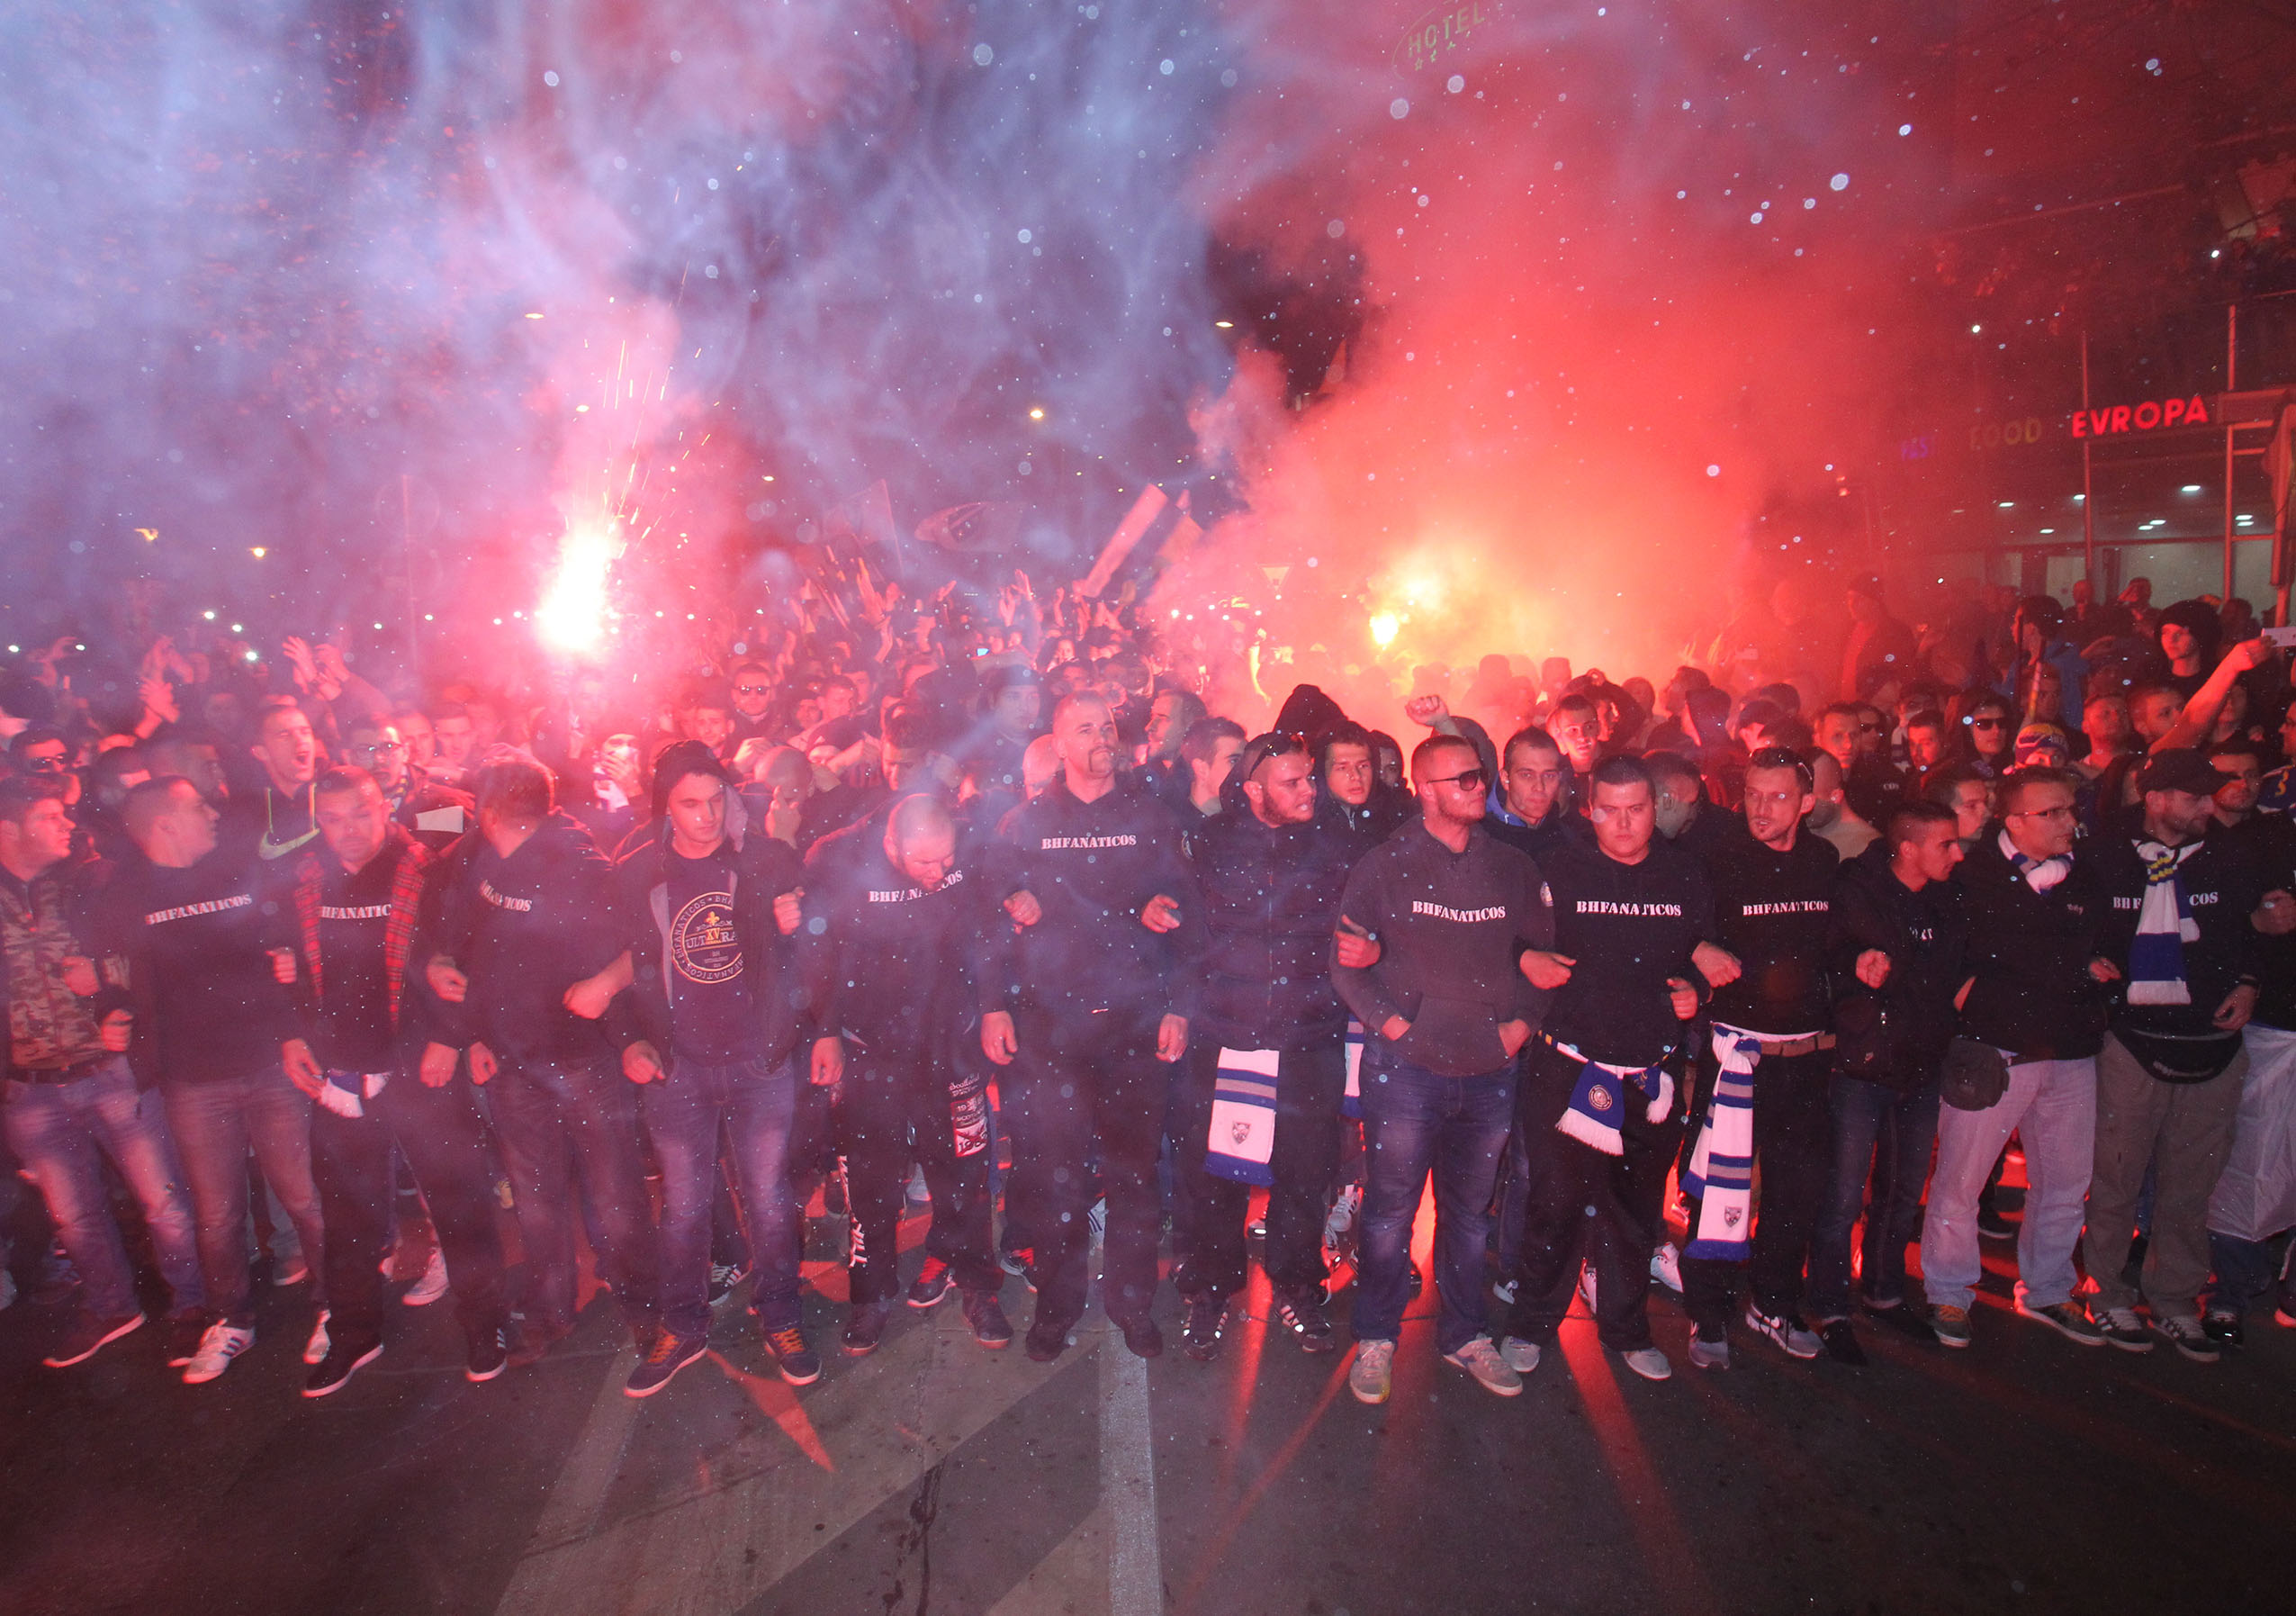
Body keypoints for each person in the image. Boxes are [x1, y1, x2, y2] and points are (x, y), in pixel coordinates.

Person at [980, 693, 1204, 1362]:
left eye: (1107, 726)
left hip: (1134, 1025)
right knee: (1056, 1178)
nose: (1102, 735)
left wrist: (1179, 1005)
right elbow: (990, 923)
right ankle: (1056, 1305)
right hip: (1051, 1032)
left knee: (1135, 1176)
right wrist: (993, 1004)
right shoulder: (1023, 823)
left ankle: (1131, 1303)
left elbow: (1189, 914)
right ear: (1059, 745)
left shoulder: (1150, 817)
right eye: (1086, 728)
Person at [1333, 732, 1552, 1404]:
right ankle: (1375, 1336)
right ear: (1424, 789)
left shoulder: (1513, 867)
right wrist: (1396, 1025)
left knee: (1467, 1212)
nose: (1476, 786)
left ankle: (1464, 1334)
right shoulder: (1384, 863)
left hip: (1487, 1072)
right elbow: (1344, 957)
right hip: (1406, 1071)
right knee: (1389, 1210)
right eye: (1461, 778)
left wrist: (1516, 1030)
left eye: (1479, 776)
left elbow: (1544, 958)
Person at [279, 768, 512, 1394]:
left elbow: (470, 955)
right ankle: (356, 1334)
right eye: (332, 818)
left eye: (360, 813)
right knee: (348, 1215)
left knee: (459, 1203)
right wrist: (294, 1033)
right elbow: (291, 965)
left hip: (420, 1064)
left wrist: (449, 1036)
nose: (347, 831)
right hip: (343, 1072)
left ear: (385, 804)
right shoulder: (306, 876)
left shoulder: (429, 866)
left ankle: (486, 1325)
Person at [424, 751, 659, 1369]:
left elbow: (640, 946)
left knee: (613, 1193)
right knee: (535, 1197)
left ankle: (644, 1307)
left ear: (491, 809)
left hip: (581, 1060)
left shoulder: (577, 865)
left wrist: (611, 1004)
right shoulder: (479, 854)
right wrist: (461, 1004)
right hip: (510, 1059)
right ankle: (550, 1310)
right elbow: (468, 937)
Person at [607, 742, 818, 1394]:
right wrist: (630, 1041)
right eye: (688, 804)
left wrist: (797, 934)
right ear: (663, 808)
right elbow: (623, 966)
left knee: (770, 1202)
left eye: (716, 799)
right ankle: (683, 1324)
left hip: (757, 1062)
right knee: (684, 1207)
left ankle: (780, 1313)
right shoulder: (637, 871)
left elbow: (812, 951)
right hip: (680, 1067)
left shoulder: (766, 860)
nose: (705, 816)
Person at [101, 775, 327, 1384]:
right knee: (216, 1213)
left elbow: (288, 940)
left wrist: (293, 1012)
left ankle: (334, 1307)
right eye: (198, 806)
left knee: (304, 1195)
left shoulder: (238, 868)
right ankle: (232, 1321)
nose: (212, 812)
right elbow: (103, 970)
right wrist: (107, 1008)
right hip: (191, 1080)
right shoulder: (125, 893)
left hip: (269, 1064)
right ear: (165, 823)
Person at [1499, 754, 1713, 1383]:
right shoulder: (1558, 869)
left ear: (1656, 809)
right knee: (1555, 1203)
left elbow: (1704, 947)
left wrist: (1696, 987)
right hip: (1568, 1067)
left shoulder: (1683, 874)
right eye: (1609, 810)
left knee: (1634, 1212)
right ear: (1589, 809)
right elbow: (1505, 937)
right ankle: (1532, 1323)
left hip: (1651, 1074)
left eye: (1636, 810)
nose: (1622, 824)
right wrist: (1523, 957)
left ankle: (1625, 1328)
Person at [1168, 733, 1369, 1360]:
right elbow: (1182, 933)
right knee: (1215, 1175)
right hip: (1224, 1034)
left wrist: (1374, 950)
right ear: (1253, 789)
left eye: (1309, 778)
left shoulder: (1338, 844)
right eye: (1292, 782)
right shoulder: (1207, 843)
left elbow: (1371, 924)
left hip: (1308, 1037)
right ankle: (1209, 1286)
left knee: (1305, 1173)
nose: (1309, 790)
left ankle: (1296, 1283)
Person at [0, 776, 205, 1369]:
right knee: (73, 1214)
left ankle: (193, 1305)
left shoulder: (90, 882)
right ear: (10, 831)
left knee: (163, 1200)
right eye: (49, 817)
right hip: (29, 1086)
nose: (66, 824)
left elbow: (142, 956)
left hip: (109, 1067)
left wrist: (106, 984)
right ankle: (113, 1307)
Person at [802, 792, 1012, 1357]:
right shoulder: (837, 858)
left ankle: (977, 1286)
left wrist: (995, 1005)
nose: (936, 873)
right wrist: (825, 1029)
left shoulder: (967, 848)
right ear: (891, 844)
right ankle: (870, 1297)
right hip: (872, 1053)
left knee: (965, 1176)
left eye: (944, 862)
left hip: (954, 1047)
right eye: (923, 863)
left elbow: (987, 934)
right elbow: (820, 947)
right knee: (869, 1183)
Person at [1919, 767, 2111, 1350]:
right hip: (1995, 1049)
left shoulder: (2084, 877)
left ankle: (2049, 1287)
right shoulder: (1970, 874)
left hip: (2070, 1048)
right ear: (2013, 818)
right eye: (2050, 812)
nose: (2066, 822)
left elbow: (2101, 949)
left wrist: (2083, 973)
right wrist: (2063, 972)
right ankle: (1949, 1292)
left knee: (2062, 1179)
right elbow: (1962, 956)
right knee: (1960, 1179)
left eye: (2068, 810)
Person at [2082, 751, 2262, 1361]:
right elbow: (2077, 933)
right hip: (2133, 1044)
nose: (2209, 805)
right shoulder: (2105, 857)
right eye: (2194, 797)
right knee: (2116, 1176)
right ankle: (2104, 1289)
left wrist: (2246, 982)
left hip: (2213, 1048)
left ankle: (2174, 1298)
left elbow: (2254, 930)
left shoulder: (2229, 855)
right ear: (2155, 798)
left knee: (2191, 1185)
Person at [1678, 748, 1840, 1367]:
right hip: (1737, 1055)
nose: (1760, 808)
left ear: (1806, 802)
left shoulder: (1823, 861)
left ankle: (1772, 1303)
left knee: (1795, 1191)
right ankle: (1708, 1316)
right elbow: (1672, 922)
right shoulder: (1719, 861)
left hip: (1805, 1055)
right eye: (1751, 793)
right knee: (1719, 1192)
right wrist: (1696, 947)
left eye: (1776, 796)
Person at [1806, 800, 1967, 1363]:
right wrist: (1858, 960)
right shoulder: (1859, 888)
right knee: (1843, 1195)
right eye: (1946, 844)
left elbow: (1951, 969)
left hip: (1921, 1065)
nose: (1957, 853)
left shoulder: (1949, 897)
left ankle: (1883, 1292)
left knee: (1900, 1193)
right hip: (1861, 1066)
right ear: (1909, 847)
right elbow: (1829, 953)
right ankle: (1828, 1305)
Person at [338, 716, 473, 851]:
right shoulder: (335, 809)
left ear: (406, 752)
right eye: (365, 750)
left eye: (389, 747)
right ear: (348, 757)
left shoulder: (443, 805)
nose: (379, 759)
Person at [224, 698, 325, 862]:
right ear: (261, 752)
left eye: (305, 732)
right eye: (284, 735)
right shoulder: (248, 812)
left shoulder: (332, 790)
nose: (300, 741)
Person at [1318, 721, 1409, 840]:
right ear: (1324, 773)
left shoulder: (1396, 816)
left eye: (1363, 766)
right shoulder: (1308, 825)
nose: (1356, 775)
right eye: (1342, 768)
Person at [1175, 716, 1246, 817]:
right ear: (1201, 769)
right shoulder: (1169, 826)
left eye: (1246, 761)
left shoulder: (1245, 825)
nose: (1245, 769)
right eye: (1234, 761)